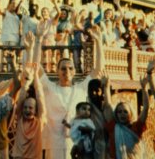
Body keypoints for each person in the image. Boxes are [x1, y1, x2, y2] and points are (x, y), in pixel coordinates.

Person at [34, 21, 104, 159]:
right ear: (57, 71)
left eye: (70, 68)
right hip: (54, 144)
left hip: (77, 144)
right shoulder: (50, 87)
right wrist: (39, 39)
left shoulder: (81, 88)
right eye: (63, 68)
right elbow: (37, 67)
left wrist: (98, 41)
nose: (67, 71)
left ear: (74, 71)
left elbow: (98, 70)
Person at [103, 72, 149, 159]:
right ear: (116, 114)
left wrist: (144, 88)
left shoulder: (136, 128)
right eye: (119, 112)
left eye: (125, 111)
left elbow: (146, 108)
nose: (122, 114)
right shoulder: (114, 127)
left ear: (131, 114)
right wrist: (106, 87)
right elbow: (108, 106)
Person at [11, 64, 46, 159]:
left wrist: (36, 75)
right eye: (25, 107)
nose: (27, 110)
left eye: (30, 108)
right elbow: (21, 96)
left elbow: (40, 96)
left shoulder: (39, 121)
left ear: (35, 110)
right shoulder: (20, 119)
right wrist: (26, 83)